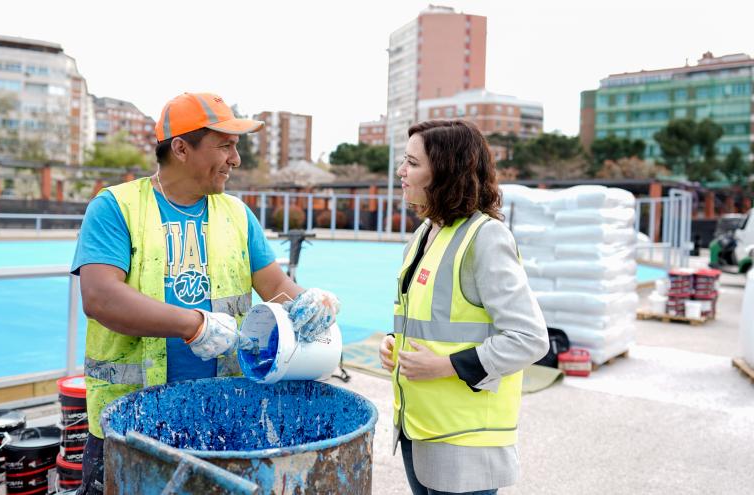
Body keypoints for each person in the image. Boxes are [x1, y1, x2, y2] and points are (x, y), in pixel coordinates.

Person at [71, 92, 339, 494]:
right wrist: (193, 325)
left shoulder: (236, 214)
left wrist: (308, 303)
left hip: (221, 420)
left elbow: (276, 287)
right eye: (225, 146)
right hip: (132, 427)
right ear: (181, 148)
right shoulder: (116, 208)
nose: (236, 159)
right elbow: (101, 298)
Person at [379, 119, 548, 495]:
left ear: (445, 172)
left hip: (465, 443)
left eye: (412, 162)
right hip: (420, 430)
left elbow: (531, 338)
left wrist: (446, 366)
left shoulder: (485, 238)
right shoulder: (425, 233)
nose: (401, 172)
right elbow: (430, 317)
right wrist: (394, 342)